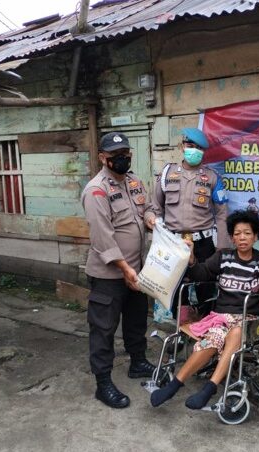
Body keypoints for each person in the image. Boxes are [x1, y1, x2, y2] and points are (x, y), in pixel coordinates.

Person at [150, 210, 259, 409]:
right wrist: (191, 258)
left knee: (236, 333)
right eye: (237, 234)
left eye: (247, 233)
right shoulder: (223, 256)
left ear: (256, 236)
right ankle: (175, 385)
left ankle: (210, 387)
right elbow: (201, 274)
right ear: (232, 238)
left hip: (249, 318)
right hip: (221, 317)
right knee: (213, 339)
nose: (242, 238)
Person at [81, 131, 157, 409]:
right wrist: (125, 268)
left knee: (136, 320)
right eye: (115, 156)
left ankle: (137, 362)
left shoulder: (135, 181)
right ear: (103, 158)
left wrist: (151, 219)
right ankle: (103, 384)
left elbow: (147, 207)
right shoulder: (96, 190)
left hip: (136, 269)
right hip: (109, 275)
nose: (122, 159)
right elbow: (102, 238)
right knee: (103, 328)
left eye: (125, 154)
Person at [151, 127, 230, 318]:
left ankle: (205, 332)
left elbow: (222, 214)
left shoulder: (212, 177)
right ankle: (180, 331)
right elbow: (156, 208)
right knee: (177, 289)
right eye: (189, 145)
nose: (193, 150)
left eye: (198, 148)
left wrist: (222, 247)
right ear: (182, 146)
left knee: (206, 288)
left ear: (203, 152)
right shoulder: (167, 174)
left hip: (203, 244)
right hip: (173, 243)